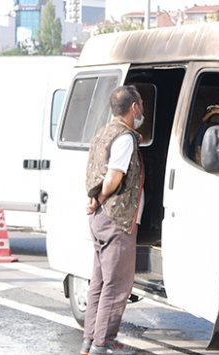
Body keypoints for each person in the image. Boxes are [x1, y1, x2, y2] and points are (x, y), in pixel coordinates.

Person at [81, 85, 145, 355]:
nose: (142, 110)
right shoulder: (124, 137)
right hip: (116, 219)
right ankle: (101, 345)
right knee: (116, 286)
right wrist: (104, 196)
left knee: (98, 283)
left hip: (99, 217)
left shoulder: (102, 133)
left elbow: (96, 174)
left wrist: (95, 198)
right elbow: (113, 177)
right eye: (141, 105)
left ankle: (88, 342)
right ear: (133, 108)